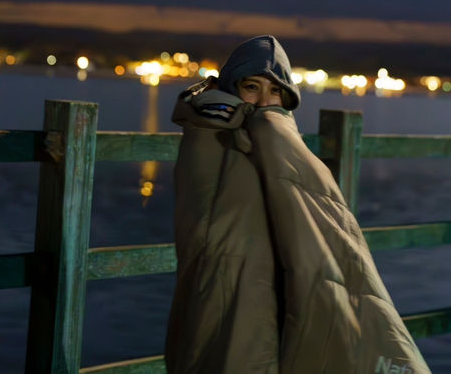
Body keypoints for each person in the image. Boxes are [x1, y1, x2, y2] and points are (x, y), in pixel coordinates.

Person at [165, 34, 432, 374]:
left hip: (273, 307)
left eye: (275, 91)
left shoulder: (284, 150)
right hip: (223, 301)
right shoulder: (210, 139)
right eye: (251, 86)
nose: (263, 103)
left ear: (288, 99)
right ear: (231, 88)